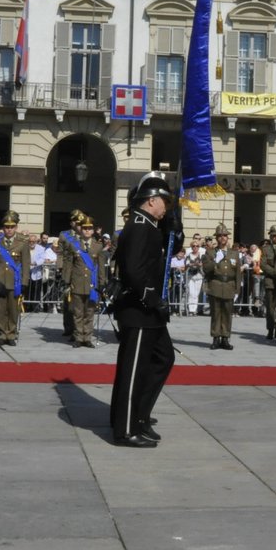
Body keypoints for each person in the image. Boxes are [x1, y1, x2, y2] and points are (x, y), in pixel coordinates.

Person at [109, 173, 176, 447]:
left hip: (149, 312)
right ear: (151, 201)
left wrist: (173, 228)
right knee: (132, 370)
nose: (167, 207)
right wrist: (152, 299)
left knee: (163, 358)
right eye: (165, 202)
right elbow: (134, 271)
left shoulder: (148, 224)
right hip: (139, 309)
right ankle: (125, 429)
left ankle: (140, 415)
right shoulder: (138, 225)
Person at [58, 211, 105, 348]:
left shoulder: (98, 246)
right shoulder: (74, 245)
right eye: (84, 228)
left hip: (92, 284)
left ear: (93, 230)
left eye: (89, 229)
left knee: (89, 312)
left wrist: (102, 283)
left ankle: (87, 337)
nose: (87, 231)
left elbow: (101, 267)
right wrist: (67, 280)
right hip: (77, 283)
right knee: (78, 312)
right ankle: (79, 337)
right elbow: (69, 264)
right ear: (81, 230)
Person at [0, 210, 32, 345]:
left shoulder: (23, 242)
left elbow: (26, 264)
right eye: (7, 227)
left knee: (13, 310)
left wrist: (24, 282)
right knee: (1, 310)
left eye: (12, 227)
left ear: (16, 227)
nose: (9, 230)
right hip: (0, 281)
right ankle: (2, 334)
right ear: (3, 228)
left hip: (15, 282)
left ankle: (11, 334)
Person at [202, 223, 240, 350]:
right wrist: (215, 261)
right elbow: (206, 269)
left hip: (229, 285)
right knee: (216, 313)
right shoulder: (210, 252)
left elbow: (237, 273)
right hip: (216, 285)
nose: (223, 238)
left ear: (228, 238)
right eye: (220, 236)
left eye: (225, 235)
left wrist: (237, 289)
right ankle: (215, 338)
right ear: (216, 238)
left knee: (227, 314)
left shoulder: (234, 254)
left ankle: (225, 338)